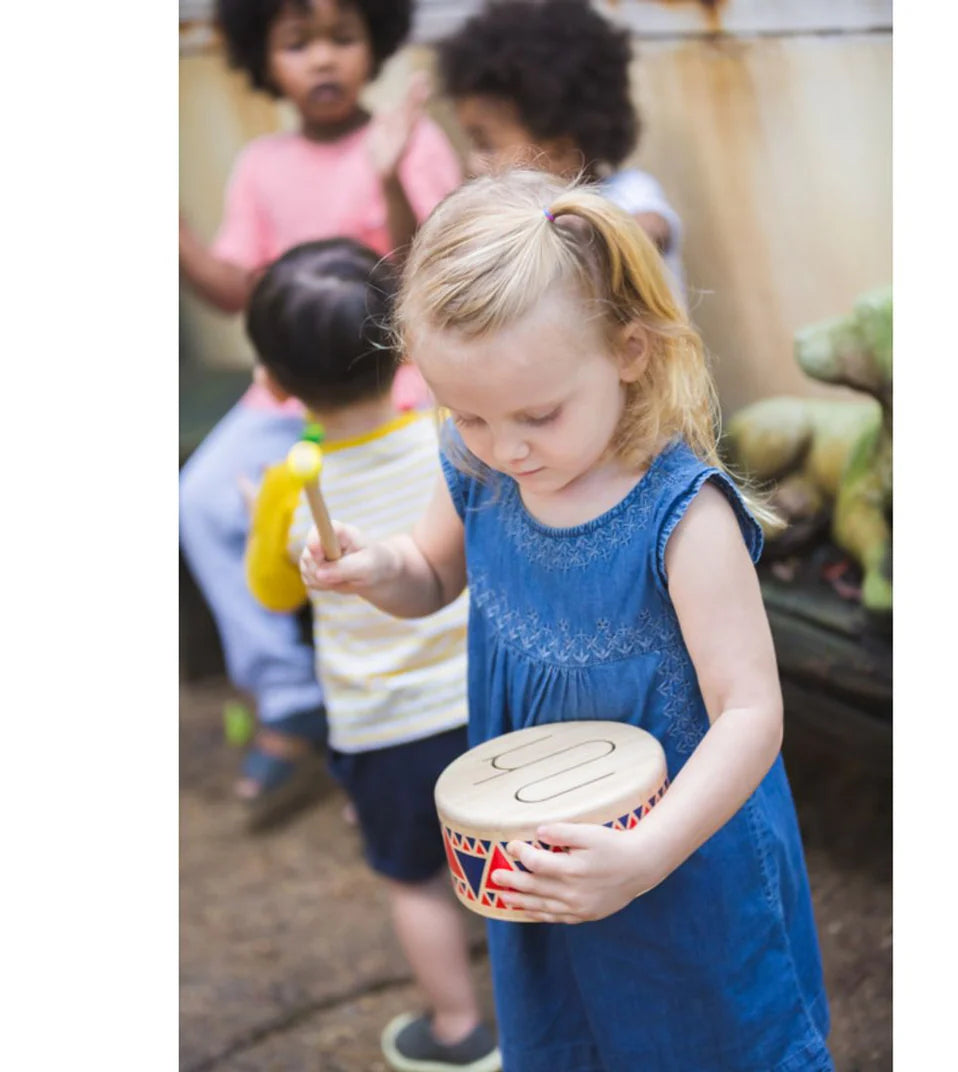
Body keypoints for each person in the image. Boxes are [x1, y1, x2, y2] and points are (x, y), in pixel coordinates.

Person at [299, 171, 833, 1072]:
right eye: (465, 413)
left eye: (537, 415)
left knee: (705, 1042)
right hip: (541, 852)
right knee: (578, 1038)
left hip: (684, 863)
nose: (504, 446)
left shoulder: (681, 517)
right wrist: (373, 568)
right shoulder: (481, 469)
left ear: (630, 350)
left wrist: (648, 854)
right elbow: (431, 573)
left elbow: (751, 712)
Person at [179, 0, 462, 826]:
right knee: (199, 499)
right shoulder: (262, 165)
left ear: (373, 41)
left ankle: (426, 698)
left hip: (394, 384)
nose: (324, 59)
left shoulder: (416, 143)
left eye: (341, 37)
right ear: (263, 58)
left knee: (399, 514)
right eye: (298, 44)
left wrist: (386, 175)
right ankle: (291, 694)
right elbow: (237, 288)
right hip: (292, 392)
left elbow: (431, 271)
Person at [243, 238, 501, 1072]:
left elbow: (276, 596)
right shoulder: (452, 440)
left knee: (416, 878)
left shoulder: (291, 484)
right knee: (516, 860)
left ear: (275, 383)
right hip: (483, 699)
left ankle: (461, 1031)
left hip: (382, 724)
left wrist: (265, 518)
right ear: (402, 344)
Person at [436, 0, 687, 298]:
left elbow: (652, 230)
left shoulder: (629, 193)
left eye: (486, 144)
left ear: (559, 149)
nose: (475, 162)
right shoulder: (515, 217)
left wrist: (587, 229)